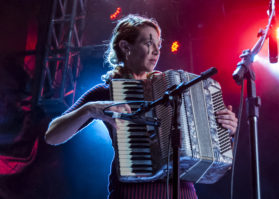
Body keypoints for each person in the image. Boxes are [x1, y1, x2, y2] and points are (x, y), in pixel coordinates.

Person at [45, 14, 238, 199]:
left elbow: (209, 150)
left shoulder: (176, 89)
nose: (156, 51)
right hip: (134, 192)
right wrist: (90, 109)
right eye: (148, 43)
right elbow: (52, 136)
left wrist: (224, 131)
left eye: (158, 45)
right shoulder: (105, 92)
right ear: (125, 47)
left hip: (181, 191)